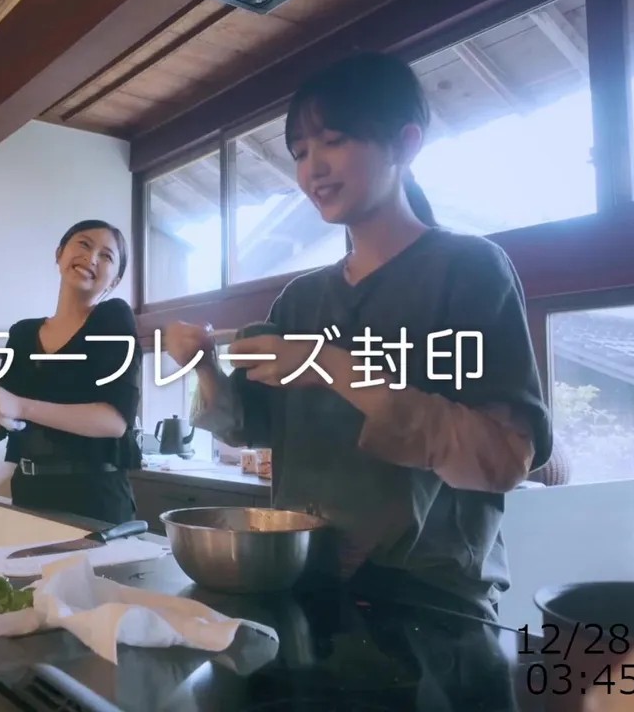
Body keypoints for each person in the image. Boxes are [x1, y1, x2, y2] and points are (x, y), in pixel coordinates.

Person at [165, 52, 552, 621]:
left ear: (405, 143)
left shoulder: (469, 270)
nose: (312, 170)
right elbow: (250, 428)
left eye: (334, 141)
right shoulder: (300, 299)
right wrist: (203, 366)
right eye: (300, 152)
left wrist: (329, 363)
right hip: (298, 583)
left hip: (431, 606)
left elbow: (502, 459)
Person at [0, 220, 142, 524]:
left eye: (106, 256)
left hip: (96, 500)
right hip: (29, 495)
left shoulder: (114, 318)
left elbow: (114, 421)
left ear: (115, 280)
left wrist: (21, 406)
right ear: (59, 254)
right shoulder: (22, 333)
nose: (91, 257)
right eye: (83, 244)